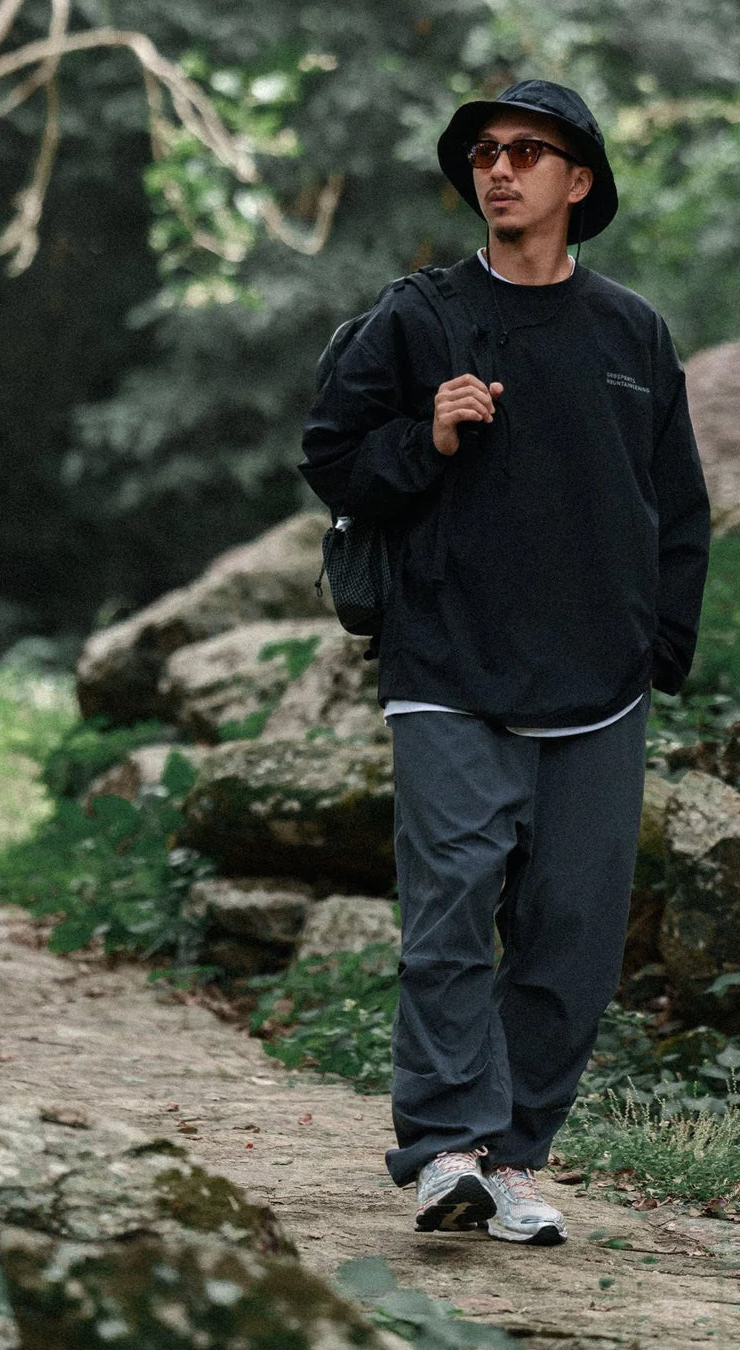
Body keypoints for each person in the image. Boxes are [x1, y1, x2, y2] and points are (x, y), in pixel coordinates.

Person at [301, 79, 710, 1246]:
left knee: (572, 935)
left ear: (578, 183)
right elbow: (334, 457)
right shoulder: (417, 318)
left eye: (530, 151)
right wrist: (422, 438)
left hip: (598, 683)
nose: (501, 169)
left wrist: (658, 646)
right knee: (451, 908)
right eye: (485, 152)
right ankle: (444, 1148)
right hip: (447, 662)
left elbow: (676, 506)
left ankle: (515, 1156)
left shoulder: (632, 333)